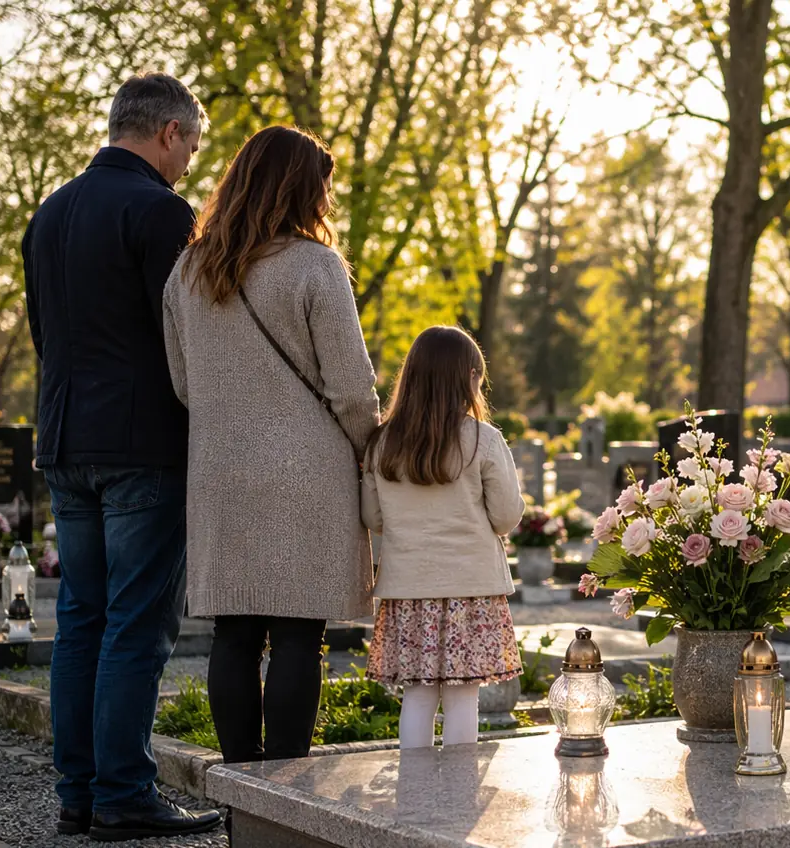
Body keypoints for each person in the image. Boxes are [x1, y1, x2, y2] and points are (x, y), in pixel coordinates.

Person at [23, 73, 222, 841]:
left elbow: (48, 333)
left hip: (64, 437)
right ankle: (124, 792)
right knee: (137, 622)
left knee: (81, 618)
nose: (189, 165)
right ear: (168, 131)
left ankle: (78, 793)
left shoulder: (51, 213)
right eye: (191, 147)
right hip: (141, 445)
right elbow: (185, 338)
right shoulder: (160, 211)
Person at [163, 126, 380, 765]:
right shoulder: (316, 266)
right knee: (295, 637)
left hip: (218, 470)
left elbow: (182, 382)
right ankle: (284, 798)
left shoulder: (188, 271)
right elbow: (351, 388)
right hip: (306, 474)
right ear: (302, 190)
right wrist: (372, 449)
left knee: (232, 637)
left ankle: (239, 798)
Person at [361, 326, 523, 749]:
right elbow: (506, 517)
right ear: (468, 377)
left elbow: (372, 517)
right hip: (471, 588)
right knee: (462, 696)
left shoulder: (382, 443)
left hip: (408, 588)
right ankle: (454, 793)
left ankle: (413, 793)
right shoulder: (483, 440)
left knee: (416, 695)